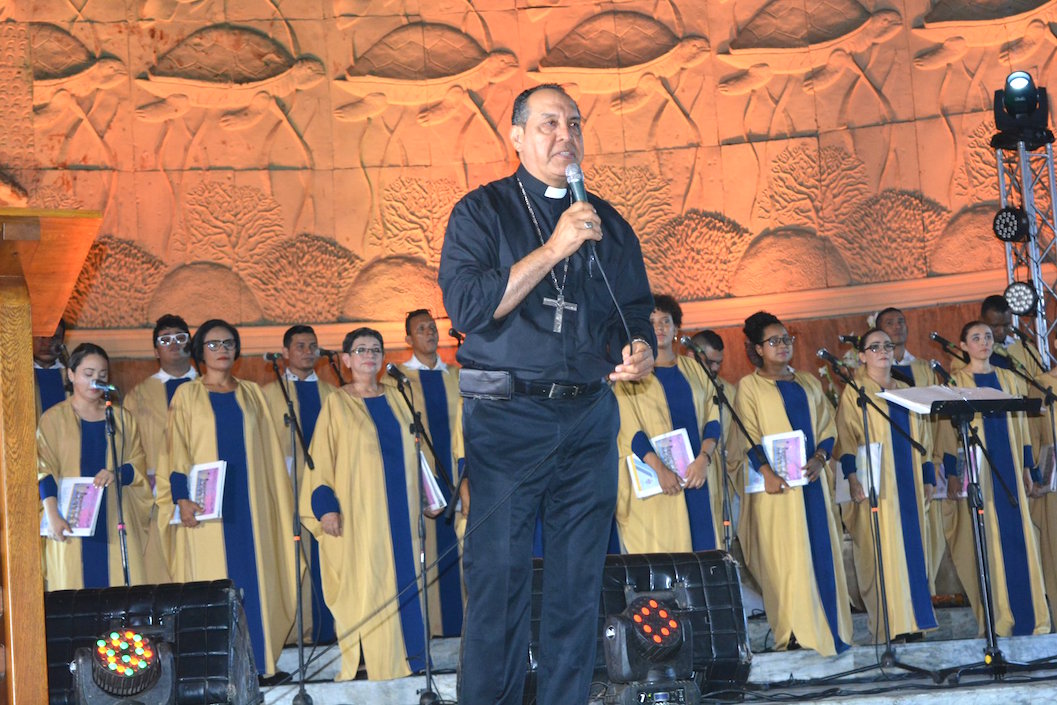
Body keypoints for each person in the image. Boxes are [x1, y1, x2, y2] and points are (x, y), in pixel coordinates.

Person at [438, 83, 655, 705]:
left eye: (574, 124)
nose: (565, 135)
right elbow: (471, 308)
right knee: (500, 579)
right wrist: (554, 247)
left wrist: (639, 347)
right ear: (515, 135)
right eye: (549, 123)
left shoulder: (607, 221)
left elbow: (633, 309)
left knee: (576, 584)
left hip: (588, 416)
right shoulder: (480, 212)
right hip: (507, 419)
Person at [155, 319, 296, 682]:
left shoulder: (252, 394)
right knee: (216, 584)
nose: (223, 349)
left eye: (229, 343)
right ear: (200, 352)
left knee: (256, 581)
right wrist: (182, 499)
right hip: (208, 511)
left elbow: (270, 455)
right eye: (215, 344)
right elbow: (175, 451)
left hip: (251, 507)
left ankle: (263, 666)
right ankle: (220, 672)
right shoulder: (187, 395)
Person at [300, 328, 438, 681]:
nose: (369, 355)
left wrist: (430, 495)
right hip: (361, 515)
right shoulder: (337, 402)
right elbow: (320, 461)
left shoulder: (398, 398)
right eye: (360, 350)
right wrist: (326, 507)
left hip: (402, 513)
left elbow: (419, 453)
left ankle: (412, 657)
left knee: (406, 580)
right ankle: (376, 659)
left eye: (375, 349)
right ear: (345, 360)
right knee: (368, 584)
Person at [730, 311, 852, 655]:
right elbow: (746, 434)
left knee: (819, 553)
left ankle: (831, 629)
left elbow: (828, 428)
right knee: (786, 561)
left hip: (810, 482)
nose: (783, 346)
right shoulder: (749, 388)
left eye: (787, 339)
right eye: (774, 341)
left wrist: (820, 458)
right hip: (776, 492)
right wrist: (766, 471)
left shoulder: (809, 382)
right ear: (757, 348)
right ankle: (795, 632)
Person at [937, 321, 1050, 636]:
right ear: (963, 346)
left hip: (1011, 469)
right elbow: (947, 433)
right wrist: (951, 473)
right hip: (982, 473)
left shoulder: (1009, 378)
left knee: (1020, 539)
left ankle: (1032, 619)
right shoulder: (956, 382)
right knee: (991, 542)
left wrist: (1029, 467)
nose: (984, 342)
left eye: (987, 336)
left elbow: (1023, 426)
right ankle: (1001, 619)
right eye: (976, 337)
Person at [835, 328, 938, 642]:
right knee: (881, 553)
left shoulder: (907, 390)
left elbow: (925, 439)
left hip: (908, 482)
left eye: (887, 346)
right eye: (874, 347)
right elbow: (847, 439)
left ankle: (915, 622)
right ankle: (890, 626)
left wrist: (929, 477)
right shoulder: (856, 391)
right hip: (874, 485)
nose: (883, 351)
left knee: (912, 551)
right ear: (863, 355)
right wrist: (852, 479)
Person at [37, 343, 152, 590]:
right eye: (88, 374)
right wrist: (53, 515)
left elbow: (137, 463)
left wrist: (117, 473)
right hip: (70, 521)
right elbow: (44, 470)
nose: (95, 381)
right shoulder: (52, 419)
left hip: (113, 517)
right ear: (71, 374)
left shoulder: (121, 418)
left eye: (102, 376)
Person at [613, 295, 719, 553]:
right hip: (658, 484)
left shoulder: (695, 370)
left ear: (676, 328)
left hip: (698, 477)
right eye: (651, 322)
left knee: (705, 556)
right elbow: (630, 429)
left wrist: (704, 459)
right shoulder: (630, 375)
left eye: (665, 321)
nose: (659, 328)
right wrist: (660, 470)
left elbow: (713, 417)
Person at [262, 324, 337, 645]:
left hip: (328, 493)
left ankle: (331, 630)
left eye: (313, 346)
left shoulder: (334, 395)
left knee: (330, 560)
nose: (308, 352)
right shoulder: (269, 395)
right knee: (294, 562)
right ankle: (295, 633)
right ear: (285, 353)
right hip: (287, 492)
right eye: (300, 346)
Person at [396, 308, 464, 637]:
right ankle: (429, 627)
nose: (430, 333)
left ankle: (464, 624)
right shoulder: (397, 380)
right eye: (421, 329)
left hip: (459, 476)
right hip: (423, 482)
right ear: (408, 339)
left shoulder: (456, 376)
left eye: (432, 327)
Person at [873, 306, 946, 592]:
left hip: (921, 461)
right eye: (890, 323)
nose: (898, 326)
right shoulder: (865, 381)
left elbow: (933, 420)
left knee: (927, 533)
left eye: (901, 321)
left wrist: (934, 463)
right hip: (889, 469)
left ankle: (925, 592)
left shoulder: (923, 370)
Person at [124, 314, 197, 583]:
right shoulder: (139, 395)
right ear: (156, 350)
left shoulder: (207, 386)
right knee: (162, 569)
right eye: (165, 340)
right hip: (158, 495)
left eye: (181, 338)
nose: (174, 344)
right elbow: (129, 446)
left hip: (203, 492)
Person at [980, 294, 1044, 378]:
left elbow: (1041, 382)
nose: (1001, 331)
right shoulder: (969, 353)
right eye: (995, 326)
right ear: (981, 320)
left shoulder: (1025, 349)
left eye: (1006, 325)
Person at [34, 317, 68, 418]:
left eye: (54, 337)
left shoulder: (72, 377)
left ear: (62, 341)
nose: (48, 343)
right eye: (42, 337)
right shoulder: (18, 375)